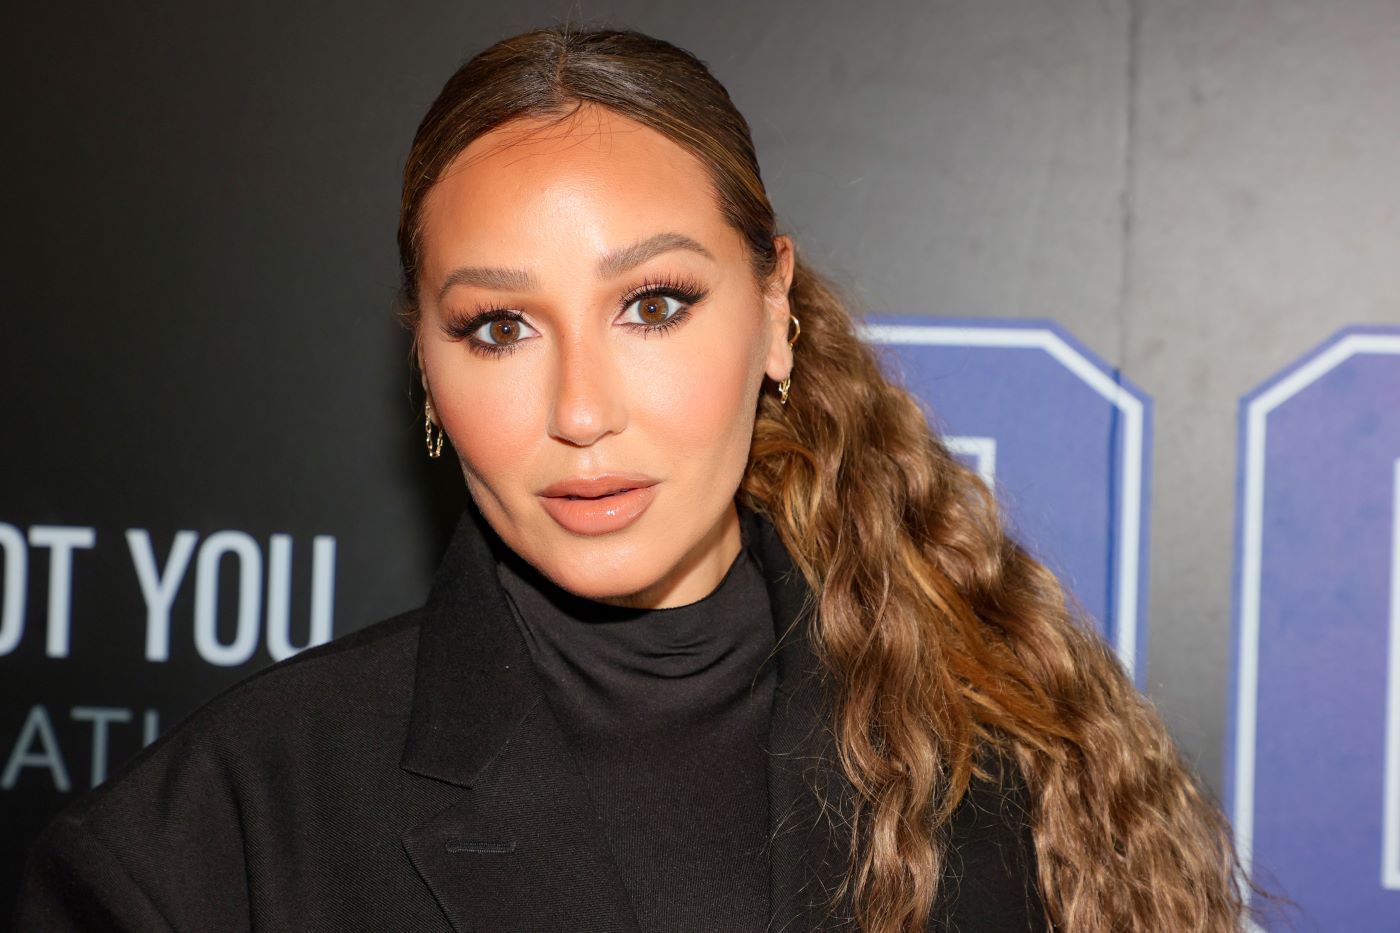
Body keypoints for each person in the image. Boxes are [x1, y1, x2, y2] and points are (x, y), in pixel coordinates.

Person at [14, 25, 1261, 933]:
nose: (580, 411)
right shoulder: (221, 833)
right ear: (425, 370)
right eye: (498, 327)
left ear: (774, 313)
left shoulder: (1004, 768)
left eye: (653, 305)